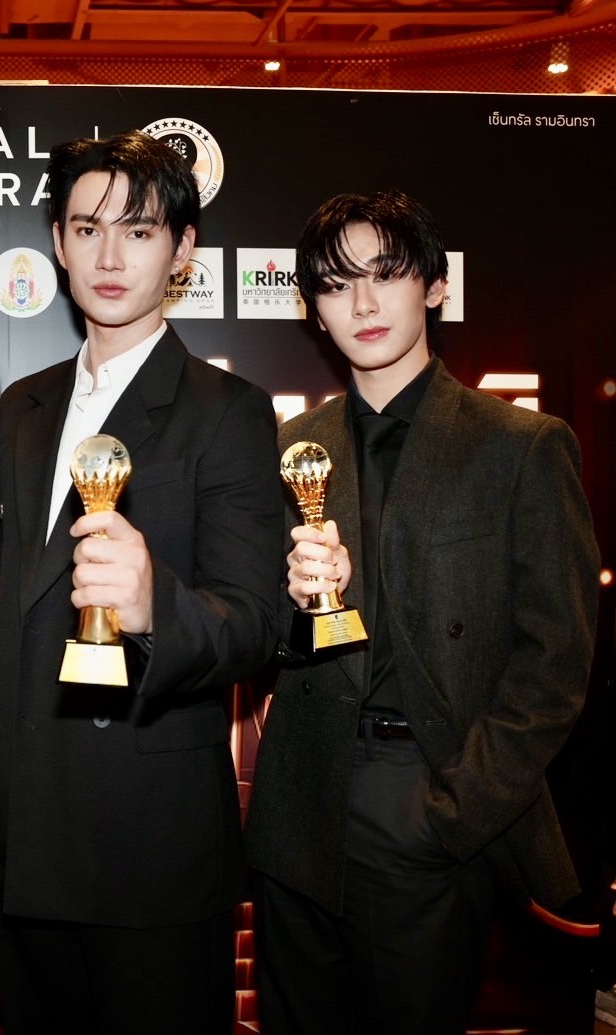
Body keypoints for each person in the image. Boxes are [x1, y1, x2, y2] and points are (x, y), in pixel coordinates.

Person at [245, 190, 601, 1034]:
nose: (363, 303)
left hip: (425, 797)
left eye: (386, 273)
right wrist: (289, 611)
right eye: (336, 284)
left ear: (434, 286)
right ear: (312, 310)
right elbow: (259, 639)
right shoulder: (288, 449)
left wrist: (452, 811)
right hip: (297, 803)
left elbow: (555, 662)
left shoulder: (519, 445)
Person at [0, 129, 285, 1034]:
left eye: (139, 231)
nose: (109, 257)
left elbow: (254, 621)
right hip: (20, 826)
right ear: (58, 244)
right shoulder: (20, 407)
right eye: (87, 229)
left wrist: (157, 608)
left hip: (146, 834)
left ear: (182, 249)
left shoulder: (228, 411)